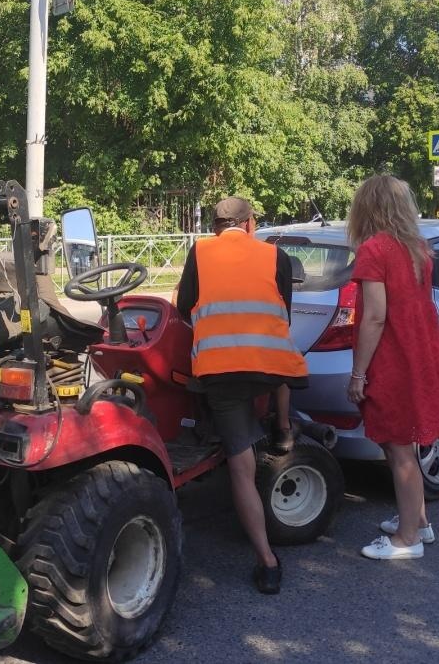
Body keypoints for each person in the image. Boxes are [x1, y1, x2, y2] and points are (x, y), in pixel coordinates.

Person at [175, 196, 308, 593]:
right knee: (283, 355)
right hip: (269, 368)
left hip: (221, 373)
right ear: (250, 224)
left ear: (215, 226)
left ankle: (267, 562)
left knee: (241, 468)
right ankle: (283, 429)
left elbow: (184, 309)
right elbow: (282, 313)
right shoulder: (275, 256)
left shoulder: (199, 252)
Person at [345, 174, 439, 561]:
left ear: (366, 207)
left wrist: (358, 373)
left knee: (399, 449)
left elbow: (374, 317)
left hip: (393, 357)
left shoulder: (374, 249)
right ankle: (419, 521)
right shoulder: (417, 247)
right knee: (400, 444)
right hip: (419, 352)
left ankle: (408, 540)